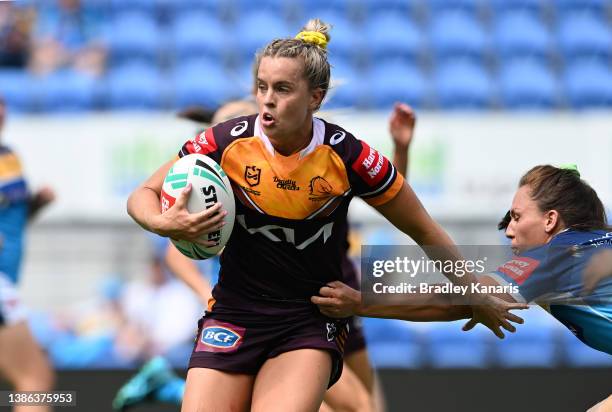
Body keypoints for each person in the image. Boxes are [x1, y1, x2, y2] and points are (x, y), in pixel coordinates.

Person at [127, 19, 524, 411]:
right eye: (263, 87)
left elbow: (424, 229)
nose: (267, 100)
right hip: (233, 312)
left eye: (282, 89)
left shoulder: (350, 157)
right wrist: (162, 222)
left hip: (308, 319)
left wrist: (475, 292)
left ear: (314, 98)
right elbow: (143, 194)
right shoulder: (224, 141)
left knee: (363, 407)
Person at [312, 165, 612, 356]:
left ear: (550, 220)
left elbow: (459, 299)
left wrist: (360, 302)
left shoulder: (554, 255)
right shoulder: (590, 245)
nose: (508, 230)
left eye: (517, 218)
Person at [0, 96, 56, 412]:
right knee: (34, 380)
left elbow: (12, 222)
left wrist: (36, 205)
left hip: (8, 276)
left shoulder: (9, 156)